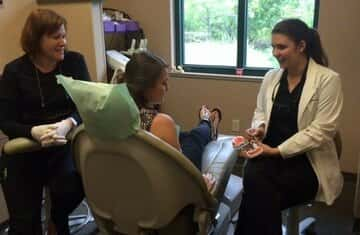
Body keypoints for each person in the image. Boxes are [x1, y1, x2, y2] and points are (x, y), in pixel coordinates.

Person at [235, 18, 343, 235]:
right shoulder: (271, 77)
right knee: (257, 182)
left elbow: (322, 130)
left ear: (301, 46)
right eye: (273, 47)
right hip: (268, 154)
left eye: (282, 47)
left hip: (307, 162)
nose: (275, 52)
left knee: (258, 192)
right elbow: (260, 111)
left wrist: (276, 151)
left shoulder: (328, 80)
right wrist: (260, 128)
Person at [0, 9, 90, 235]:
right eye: (56, 37)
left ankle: (57, 221)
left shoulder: (74, 62)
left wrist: (68, 123)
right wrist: (33, 131)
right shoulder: (14, 72)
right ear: (36, 39)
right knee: (24, 224)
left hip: (63, 145)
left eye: (64, 36)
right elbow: (5, 121)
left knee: (71, 186)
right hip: (25, 150)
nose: (63, 42)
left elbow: (87, 104)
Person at [120, 51, 222, 190]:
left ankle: (205, 122)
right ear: (146, 87)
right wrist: (202, 182)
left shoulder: (116, 115)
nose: (167, 88)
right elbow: (182, 179)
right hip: (160, 194)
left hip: (130, 188)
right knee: (195, 138)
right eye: (163, 83)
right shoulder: (161, 122)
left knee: (185, 135)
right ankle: (206, 121)